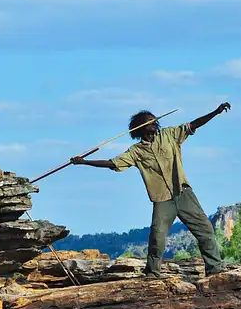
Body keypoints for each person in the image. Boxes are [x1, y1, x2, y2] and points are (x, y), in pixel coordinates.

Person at [70, 103, 231, 278]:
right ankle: (152, 272)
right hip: (162, 199)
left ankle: (215, 270)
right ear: (140, 127)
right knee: (157, 237)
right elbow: (113, 163)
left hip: (183, 193)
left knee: (205, 230)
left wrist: (216, 112)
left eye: (154, 120)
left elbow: (194, 124)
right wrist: (85, 162)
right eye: (149, 121)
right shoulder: (136, 152)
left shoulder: (170, 135)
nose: (154, 122)